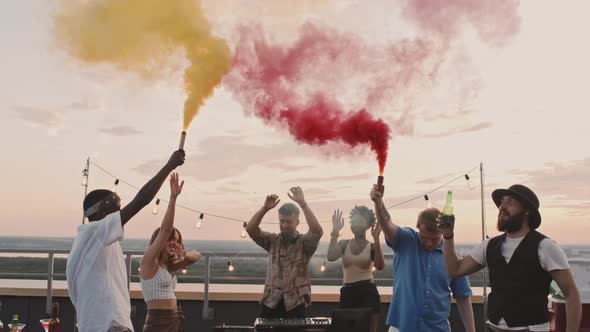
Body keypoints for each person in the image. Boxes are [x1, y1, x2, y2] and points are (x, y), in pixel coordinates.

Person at [66, 149, 185, 332]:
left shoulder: (101, 243)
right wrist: (169, 166)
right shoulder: (91, 233)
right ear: (100, 213)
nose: (121, 214)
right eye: (117, 209)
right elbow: (142, 200)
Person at [440, 184, 582, 332]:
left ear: (527, 210)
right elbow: (454, 270)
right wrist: (448, 236)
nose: (503, 206)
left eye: (511, 202)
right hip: (493, 328)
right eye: (502, 201)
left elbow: (571, 293)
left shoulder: (546, 247)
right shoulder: (489, 246)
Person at [370, 185, 476, 332]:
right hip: (402, 327)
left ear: (442, 233)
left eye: (435, 239)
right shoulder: (406, 240)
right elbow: (387, 224)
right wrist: (378, 202)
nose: (429, 243)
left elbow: (463, 297)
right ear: (418, 227)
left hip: (438, 328)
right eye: (425, 238)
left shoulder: (452, 256)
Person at [245, 187, 323, 318]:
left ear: (297, 222)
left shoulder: (304, 243)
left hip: (296, 303)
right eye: (282, 221)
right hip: (271, 301)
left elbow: (316, 231)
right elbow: (251, 229)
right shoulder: (272, 240)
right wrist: (265, 208)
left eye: (289, 222)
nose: (285, 225)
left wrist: (303, 204)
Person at [139, 173, 201, 332]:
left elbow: (196, 255)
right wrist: (173, 198)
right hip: (157, 322)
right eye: (171, 239)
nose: (175, 242)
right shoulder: (149, 262)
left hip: (174, 318)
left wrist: (183, 257)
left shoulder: (169, 265)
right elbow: (166, 229)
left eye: (178, 240)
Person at [327, 206, 385, 332]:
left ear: (368, 224)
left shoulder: (372, 246)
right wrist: (335, 232)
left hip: (368, 293)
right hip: (348, 293)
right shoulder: (344, 244)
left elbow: (380, 266)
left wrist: (376, 238)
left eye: (359, 221)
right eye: (353, 221)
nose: (355, 225)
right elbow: (331, 257)